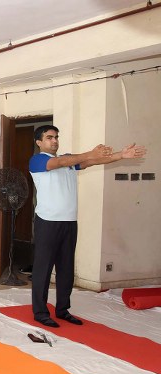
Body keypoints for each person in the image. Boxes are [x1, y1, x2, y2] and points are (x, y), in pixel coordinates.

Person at [29, 125, 146, 327]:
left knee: (66, 269)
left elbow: (91, 161)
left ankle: (63, 309)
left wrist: (121, 155)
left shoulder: (67, 161)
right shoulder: (39, 160)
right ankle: (40, 312)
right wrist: (89, 152)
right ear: (39, 142)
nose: (54, 140)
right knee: (43, 269)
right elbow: (61, 161)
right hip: (47, 222)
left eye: (56, 137)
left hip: (69, 222)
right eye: (49, 138)